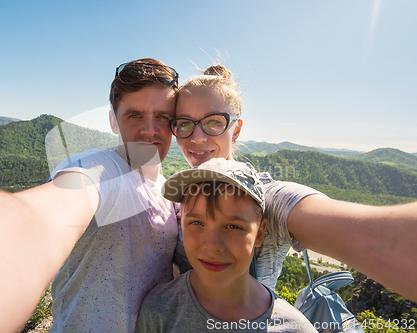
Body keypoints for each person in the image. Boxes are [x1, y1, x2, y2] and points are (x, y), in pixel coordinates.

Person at [0, 58, 181, 333]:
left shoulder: (168, 192)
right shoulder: (99, 171)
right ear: (113, 121)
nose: (150, 130)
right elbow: (42, 215)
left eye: (162, 117)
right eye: (134, 115)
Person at [169, 64, 417, 302]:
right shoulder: (174, 196)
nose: (197, 138)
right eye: (184, 124)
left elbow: (378, 237)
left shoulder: (266, 199)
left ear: (236, 129)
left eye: (214, 121)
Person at [135, 158, 316, 332]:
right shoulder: (159, 309)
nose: (213, 245)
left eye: (233, 226)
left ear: (259, 233)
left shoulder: (295, 327)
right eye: (197, 223)